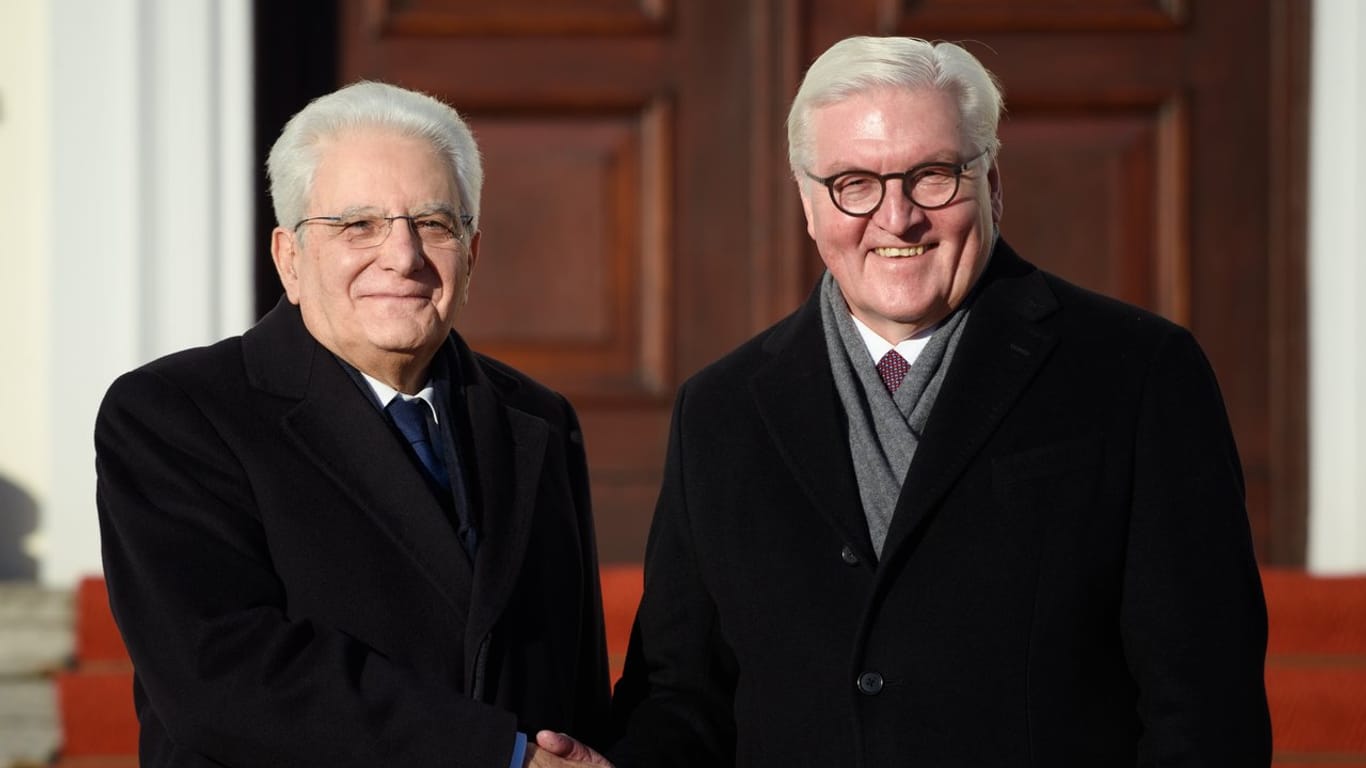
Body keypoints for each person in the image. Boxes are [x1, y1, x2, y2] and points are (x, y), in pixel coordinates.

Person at [539, 35, 1271, 767]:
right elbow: (682, 696)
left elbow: (1205, 703)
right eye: (854, 183)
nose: (897, 218)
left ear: (992, 182)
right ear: (807, 201)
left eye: (932, 176)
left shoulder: (1137, 373)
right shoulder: (720, 411)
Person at [95, 81, 610, 767]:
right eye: (357, 225)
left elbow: (573, 684)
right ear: (289, 259)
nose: (402, 256)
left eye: (433, 223)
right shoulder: (174, 415)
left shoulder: (538, 421)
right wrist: (500, 755)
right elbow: (221, 673)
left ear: (472, 253)